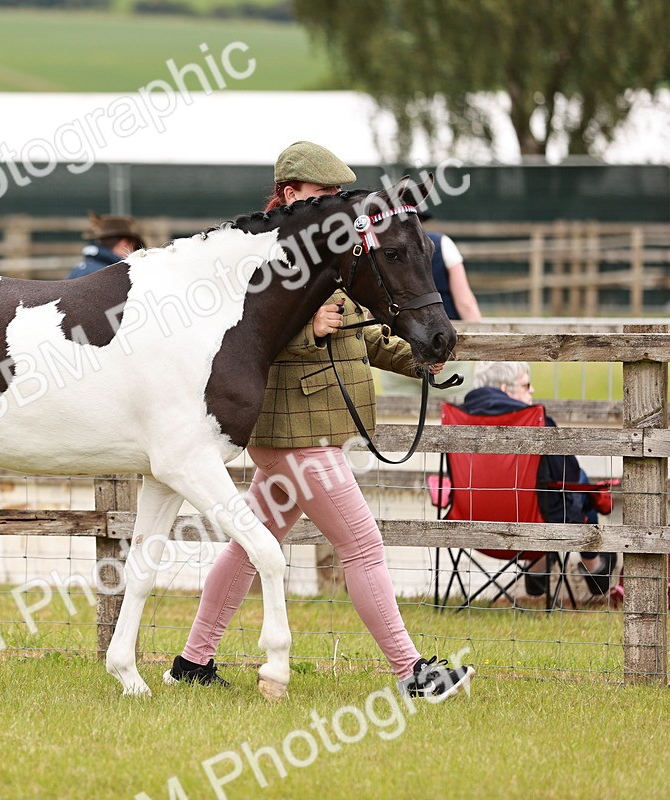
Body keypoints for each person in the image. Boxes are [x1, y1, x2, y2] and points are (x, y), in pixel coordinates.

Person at [166, 141, 474, 701]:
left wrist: (421, 359)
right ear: (288, 194)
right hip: (294, 431)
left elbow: (367, 336)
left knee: (246, 547)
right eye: (321, 194)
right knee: (363, 547)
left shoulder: (337, 257)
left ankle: (191, 662)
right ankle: (412, 674)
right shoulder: (265, 258)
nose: (334, 204)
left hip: (311, 428)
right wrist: (307, 329)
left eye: (338, 195)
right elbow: (240, 345)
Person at [457, 361, 615, 600]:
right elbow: (569, 478)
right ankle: (594, 567)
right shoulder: (537, 420)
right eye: (526, 384)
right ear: (505, 388)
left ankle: (537, 570)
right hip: (536, 522)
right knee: (577, 483)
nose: (532, 391)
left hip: (470, 519)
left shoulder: (458, 418)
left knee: (550, 490)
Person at [378, 210, 481, 398]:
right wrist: (482, 349)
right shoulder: (442, 244)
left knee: (401, 421)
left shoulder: (381, 249)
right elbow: (465, 303)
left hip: (396, 348)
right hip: (443, 348)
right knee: (450, 417)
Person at [65, 212, 145, 279]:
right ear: (124, 243)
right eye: (134, 248)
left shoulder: (78, 270)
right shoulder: (112, 276)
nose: (133, 253)